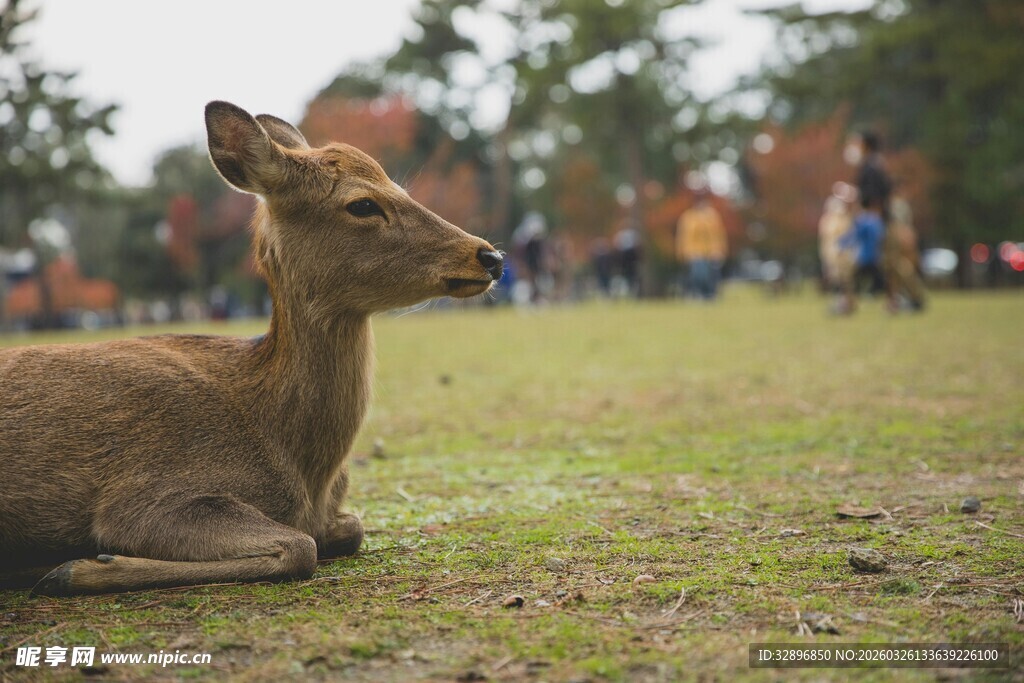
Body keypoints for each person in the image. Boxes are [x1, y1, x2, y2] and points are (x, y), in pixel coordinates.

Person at [676, 190, 727, 300]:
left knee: (712, 275)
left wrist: (718, 250)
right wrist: (684, 252)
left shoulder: (712, 216)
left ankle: (710, 295)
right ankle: (698, 294)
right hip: (694, 251)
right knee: (699, 274)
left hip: (711, 251)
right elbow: (684, 236)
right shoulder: (688, 217)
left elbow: (718, 235)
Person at [882, 184, 926, 311]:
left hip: (899, 245)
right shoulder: (897, 205)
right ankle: (901, 299)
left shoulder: (895, 205)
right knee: (897, 271)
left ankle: (906, 298)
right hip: (898, 244)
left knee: (901, 271)